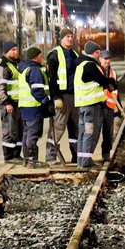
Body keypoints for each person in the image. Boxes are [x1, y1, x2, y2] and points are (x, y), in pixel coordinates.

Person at [73, 41, 117, 170]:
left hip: (82, 105)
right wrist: (110, 83)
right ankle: (86, 161)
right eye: (98, 52)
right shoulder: (89, 66)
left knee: (83, 133)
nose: (99, 55)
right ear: (93, 53)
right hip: (90, 105)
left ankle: (81, 160)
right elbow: (102, 80)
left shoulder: (81, 65)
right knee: (90, 133)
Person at [45, 28, 79, 164]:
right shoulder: (54, 55)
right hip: (62, 97)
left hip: (74, 96)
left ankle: (76, 155)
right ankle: (50, 156)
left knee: (75, 128)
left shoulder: (75, 54)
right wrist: (56, 97)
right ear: (61, 38)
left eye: (71, 36)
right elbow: (51, 78)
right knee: (57, 127)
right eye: (67, 37)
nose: (70, 39)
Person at [17, 47, 51, 168]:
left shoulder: (24, 69)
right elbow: (37, 90)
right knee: (33, 133)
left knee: (27, 133)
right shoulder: (34, 70)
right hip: (33, 107)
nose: (42, 58)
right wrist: (46, 101)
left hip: (25, 107)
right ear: (36, 57)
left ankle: (27, 159)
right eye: (41, 55)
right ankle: (32, 161)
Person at [0, 43, 22, 162]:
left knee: (17, 130)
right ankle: (9, 156)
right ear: (6, 51)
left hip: (17, 103)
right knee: (9, 130)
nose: (16, 52)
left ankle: (16, 155)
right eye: (13, 50)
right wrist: (6, 103)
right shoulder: (3, 65)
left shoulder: (16, 64)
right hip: (8, 104)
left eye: (16, 49)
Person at [96, 50, 119, 162]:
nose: (107, 61)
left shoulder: (113, 73)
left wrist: (120, 107)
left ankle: (106, 154)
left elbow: (116, 90)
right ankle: (88, 155)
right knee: (95, 132)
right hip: (98, 105)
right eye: (105, 59)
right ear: (100, 59)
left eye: (109, 58)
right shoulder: (96, 70)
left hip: (109, 106)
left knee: (108, 131)